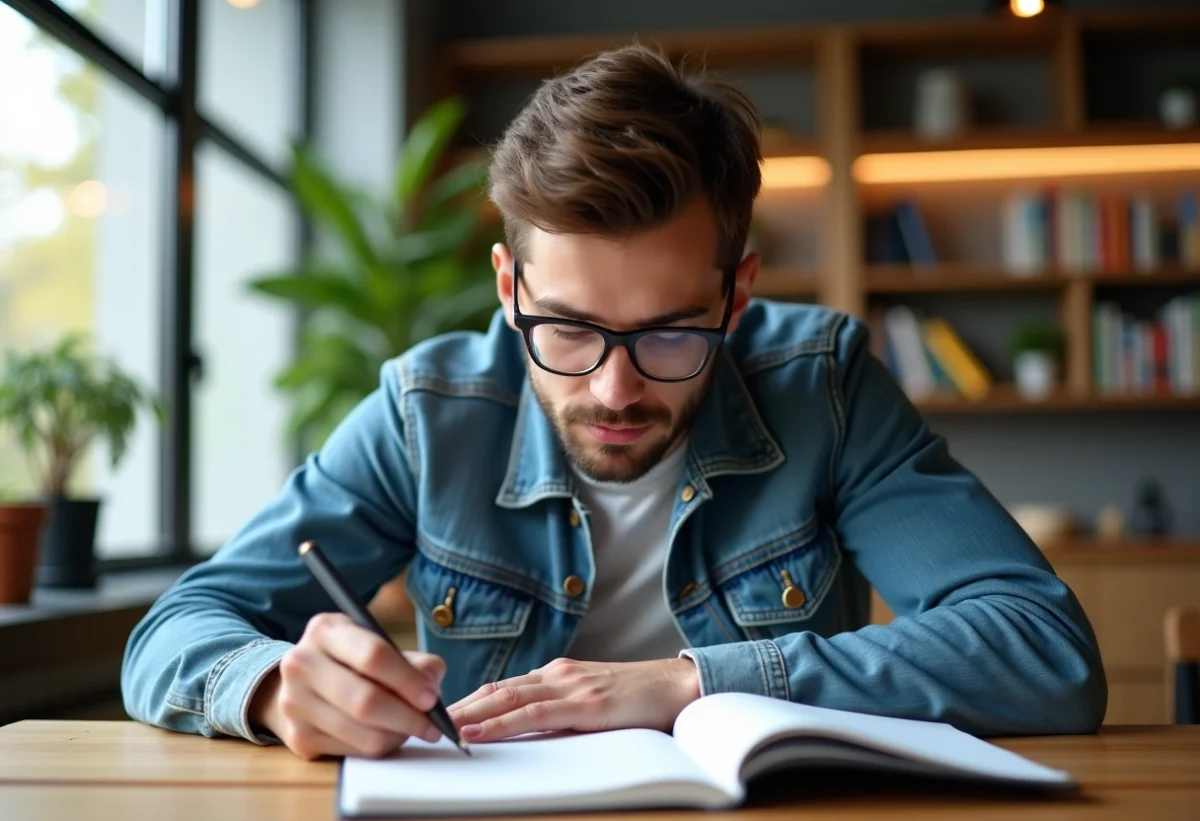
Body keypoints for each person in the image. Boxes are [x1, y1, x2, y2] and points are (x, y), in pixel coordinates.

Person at [122, 44, 1106, 760]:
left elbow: (1042, 647)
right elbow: (179, 627)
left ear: (739, 292)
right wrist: (267, 686)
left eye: (674, 329)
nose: (614, 385)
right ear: (509, 288)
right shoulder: (428, 413)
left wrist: (690, 682)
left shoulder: (825, 383)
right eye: (569, 329)